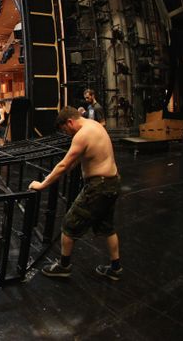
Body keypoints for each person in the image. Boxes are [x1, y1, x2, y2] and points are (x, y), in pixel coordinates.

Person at [28, 106, 122, 281]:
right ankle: (116, 268)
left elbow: (63, 165)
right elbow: (79, 159)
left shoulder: (82, 135)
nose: (67, 133)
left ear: (70, 122)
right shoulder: (95, 126)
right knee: (107, 227)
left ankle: (64, 267)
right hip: (113, 182)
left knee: (68, 225)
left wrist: (42, 184)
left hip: (98, 187)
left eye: (65, 129)